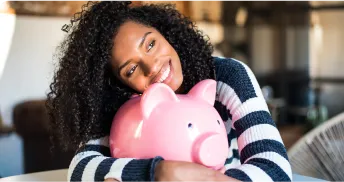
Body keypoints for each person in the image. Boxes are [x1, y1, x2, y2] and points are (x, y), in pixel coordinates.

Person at [46, 0, 292, 181]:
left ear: (166, 32)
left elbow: (276, 169)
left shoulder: (227, 76)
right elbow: (80, 167)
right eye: (131, 70)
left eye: (151, 44)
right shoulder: (123, 104)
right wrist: (157, 171)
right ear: (119, 83)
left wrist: (207, 178)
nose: (152, 66)